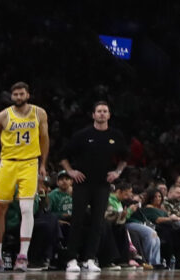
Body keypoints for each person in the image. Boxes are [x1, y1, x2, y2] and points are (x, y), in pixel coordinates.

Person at [57, 101, 129, 274]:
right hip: (82, 184)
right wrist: (71, 171)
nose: (102, 114)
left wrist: (117, 172)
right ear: (93, 115)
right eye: (99, 111)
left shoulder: (115, 136)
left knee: (98, 222)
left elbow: (125, 158)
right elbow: (63, 156)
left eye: (105, 111)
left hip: (103, 185)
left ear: (109, 115)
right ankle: (72, 259)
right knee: (77, 220)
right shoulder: (83, 135)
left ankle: (90, 259)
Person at [0, 81, 49, 272]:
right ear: (12, 96)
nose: (18, 97)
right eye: (15, 95)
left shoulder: (39, 113)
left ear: (28, 95)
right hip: (7, 163)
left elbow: (44, 138)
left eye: (22, 94)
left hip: (30, 162)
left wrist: (43, 164)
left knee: (26, 207)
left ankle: (23, 256)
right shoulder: (3, 116)